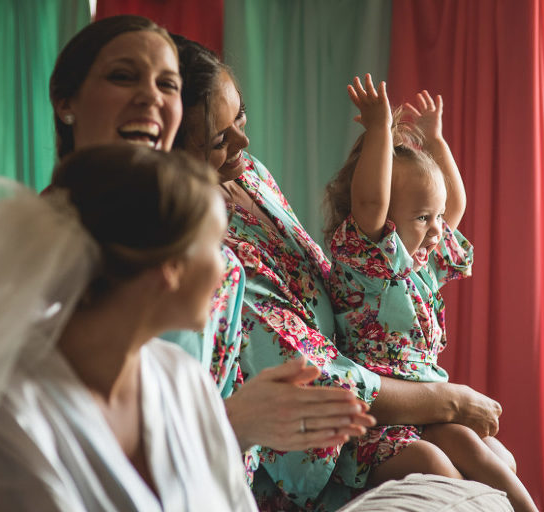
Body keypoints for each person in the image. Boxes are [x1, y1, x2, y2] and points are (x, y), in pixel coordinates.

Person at [172, 37, 505, 511]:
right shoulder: (204, 245)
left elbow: (449, 209)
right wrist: (448, 400)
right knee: (440, 472)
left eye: (240, 119)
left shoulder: (249, 175)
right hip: (320, 441)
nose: (242, 143)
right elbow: (313, 377)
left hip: (381, 402)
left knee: (492, 462)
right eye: (218, 140)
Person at [46, 15, 375, 467]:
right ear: (66, 101)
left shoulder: (196, 213)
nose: (151, 97)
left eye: (166, 84)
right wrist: (233, 421)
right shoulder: (50, 238)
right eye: (122, 76)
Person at [0, 144, 258, 511]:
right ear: (170, 266)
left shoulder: (185, 380)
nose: (227, 268)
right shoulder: (4, 412)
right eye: (216, 245)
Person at [322, 75, 538, 512]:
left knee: (500, 457)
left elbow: (454, 206)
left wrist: (437, 142)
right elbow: (371, 203)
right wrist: (379, 129)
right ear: (385, 220)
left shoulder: (422, 263)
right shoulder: (369, 262)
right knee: (441, 460)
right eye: (423, 217)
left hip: (427, 411)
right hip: (381, 420)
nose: (438, 229)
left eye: (435, 217)